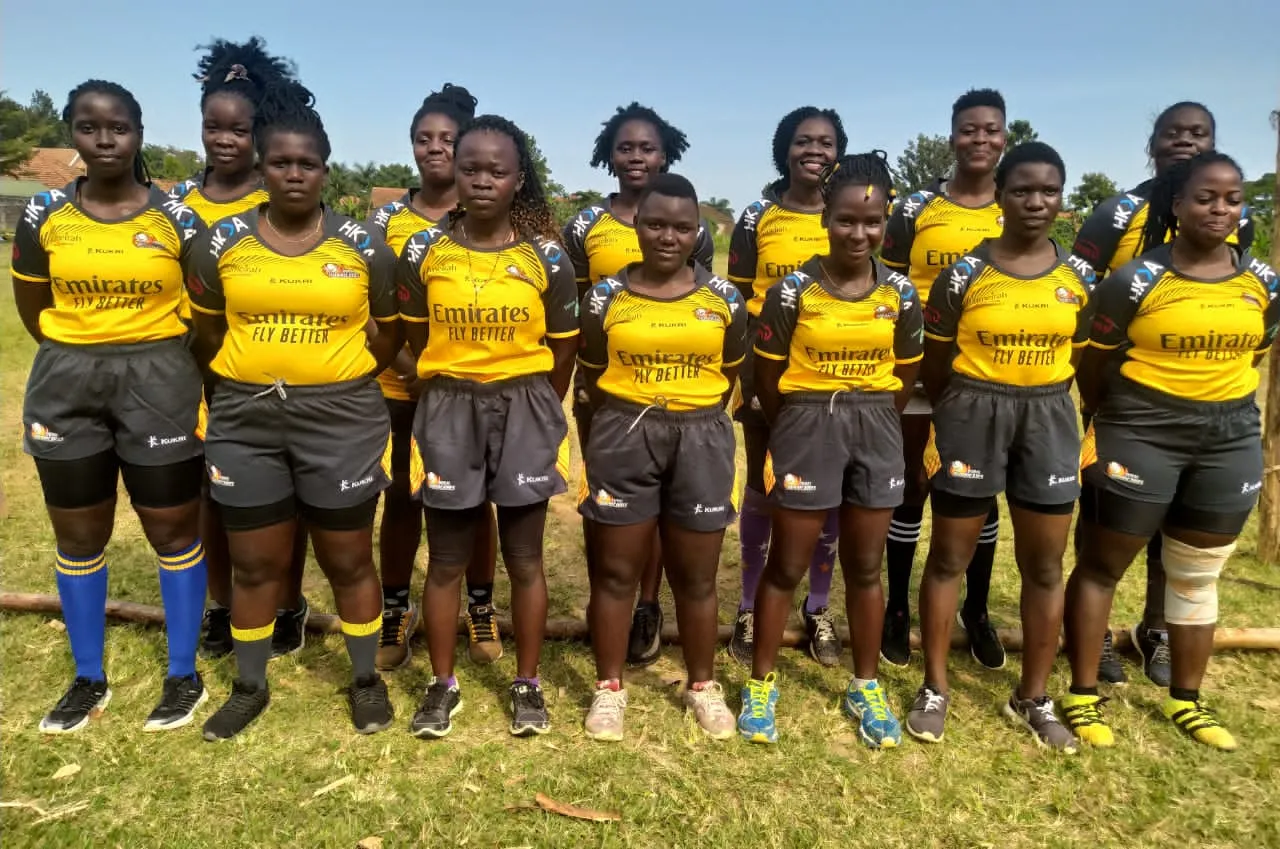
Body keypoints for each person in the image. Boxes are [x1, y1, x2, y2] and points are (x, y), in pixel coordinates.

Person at [189, 78, 401, 740]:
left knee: (348, 560)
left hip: (341, 419)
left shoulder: (364, 246)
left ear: (325, 171)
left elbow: (390, 336)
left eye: (307, 163)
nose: (293, 174)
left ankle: (365, 680)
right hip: (245, 420)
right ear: (261, 166)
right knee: (255, 564)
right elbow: (206, 332)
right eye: (280, 162)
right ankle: (250, 687)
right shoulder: (220, 242)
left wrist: (334, 380)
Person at [1063, 152, 1276, 751]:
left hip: (1229, 437)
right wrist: (1117, 416)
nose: (1220, 209)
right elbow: (1094, 363)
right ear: (1178, 205)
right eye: (1205, 198)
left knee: (1196, 575)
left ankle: (1187, 700)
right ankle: (1082, 693)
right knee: (1102, 565)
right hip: (1140, 429)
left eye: (1232, 199)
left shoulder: (1263, 280)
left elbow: (1258, 349)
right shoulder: (1134, 280)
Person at [13, 81, 209, 733]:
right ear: (71, 133)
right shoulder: (44, 213)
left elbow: (204, 310)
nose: (104, 140)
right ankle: (87, 676)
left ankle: (183, 673)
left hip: (158, 380)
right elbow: (34, 307)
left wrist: (152, 358)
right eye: (89, 127)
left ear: (139, 134)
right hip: (66, 382)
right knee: (78, 536)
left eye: (118, 128)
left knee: (172, 530)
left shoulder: (176, 217)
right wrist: (84, 349)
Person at [905, 142, 1091, 753]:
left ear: (1061, 200)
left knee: (1045, 566)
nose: (1035, 201)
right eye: (1022, 190)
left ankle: (1032, 697)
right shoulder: (964, 275)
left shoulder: (1079, 277)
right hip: (972, 411)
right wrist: (963, 408)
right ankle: (935, 686)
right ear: (1001, 197)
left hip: (1049, 417)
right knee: (948, 557)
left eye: (1048, 191)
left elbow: (1081, 354)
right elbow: (935, 362)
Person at [398, 115, 578, 739]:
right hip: (449, 406)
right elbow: (416, 336)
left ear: (518, 179)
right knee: (446, 558)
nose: (481, 180)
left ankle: (527, 682)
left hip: (525, 406)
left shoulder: (545, 257)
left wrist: (538, 407)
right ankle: (441, 684)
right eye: (469, 168)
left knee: (525, 557)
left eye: (496, 171)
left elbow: (563, 346)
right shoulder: (424, 251)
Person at [738, 152, 922, 749]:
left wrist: (872, 418)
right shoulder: (793, 290)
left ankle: (864, 685)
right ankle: (761, 684)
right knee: (787, 565)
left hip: (877, 426)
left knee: (865, 568)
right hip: (806, 423)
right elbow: (768, 377)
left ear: (886, 222)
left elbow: (906, 375)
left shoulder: (900, 292)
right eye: (846, 220)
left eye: (871, 222)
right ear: (826, 220)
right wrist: (801, 423)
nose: (858, 233)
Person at [576, 173, 745, 741]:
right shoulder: (605, 297)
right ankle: (609, 688)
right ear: (637, 227)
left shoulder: (724, 299)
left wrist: (689, 415)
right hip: (625, 430)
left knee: (696, 577)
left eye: (681, 227)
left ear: (698, 232)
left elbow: (730, 372)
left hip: (702, 436)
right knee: (617, 572)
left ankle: (702, 685)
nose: (667, 237)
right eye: (654, 224)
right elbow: (594, 372)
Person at [173, 37, 310, 662]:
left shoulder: (275, 199)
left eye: (240, 129)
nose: (225, 140)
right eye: (213, 127)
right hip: (191, 368)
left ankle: (286, 603)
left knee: (283, 497)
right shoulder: (176, 204)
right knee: (211, 492)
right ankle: (222, 605)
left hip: (262, 373)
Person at [562, 102, 714, 667]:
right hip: (606, 383)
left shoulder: (692, 228)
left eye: (647, 147)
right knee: (609, 494)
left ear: (665, 154)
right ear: (609, 154)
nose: (636, 157)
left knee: (662, 499)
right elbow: (577, 305)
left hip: (674, 387)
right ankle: (608, 594)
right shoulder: (585, 225)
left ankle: (647, 605)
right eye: (625, 147)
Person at [366, 84, 501, 671]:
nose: (435, 148)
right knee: (401, 497)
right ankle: (396, 609)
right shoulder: (385, 220)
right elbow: (370, 308)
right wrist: (413, 369)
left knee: (476, 501)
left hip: (469, 391)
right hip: (402, 386)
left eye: (448, 138)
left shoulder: (486, 217)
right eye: (424, 138)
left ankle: (481, 605)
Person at [879, 88, 1010, 672]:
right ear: (953, 136)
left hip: (989, 379)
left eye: (991, 129)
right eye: (968, 129)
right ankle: (896, 609)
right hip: (919, 372)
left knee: (981, 493)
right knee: (911, 485)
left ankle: (975, 610)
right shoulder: (915, 208)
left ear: (1004, 137)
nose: (980, 139)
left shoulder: (1014, 205)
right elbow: (887, 285)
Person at [726, 106, 848, 668]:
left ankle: (817, 606)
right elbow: (737, 297)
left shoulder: (852, 211)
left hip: (835, 370)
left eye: (826, 142)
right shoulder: (758, 216)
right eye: (803, 141)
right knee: (764, 482)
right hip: (767, 365)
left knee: (828, 489)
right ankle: (749, 606)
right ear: (785, 149)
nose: (814, 151)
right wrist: (744, 372)